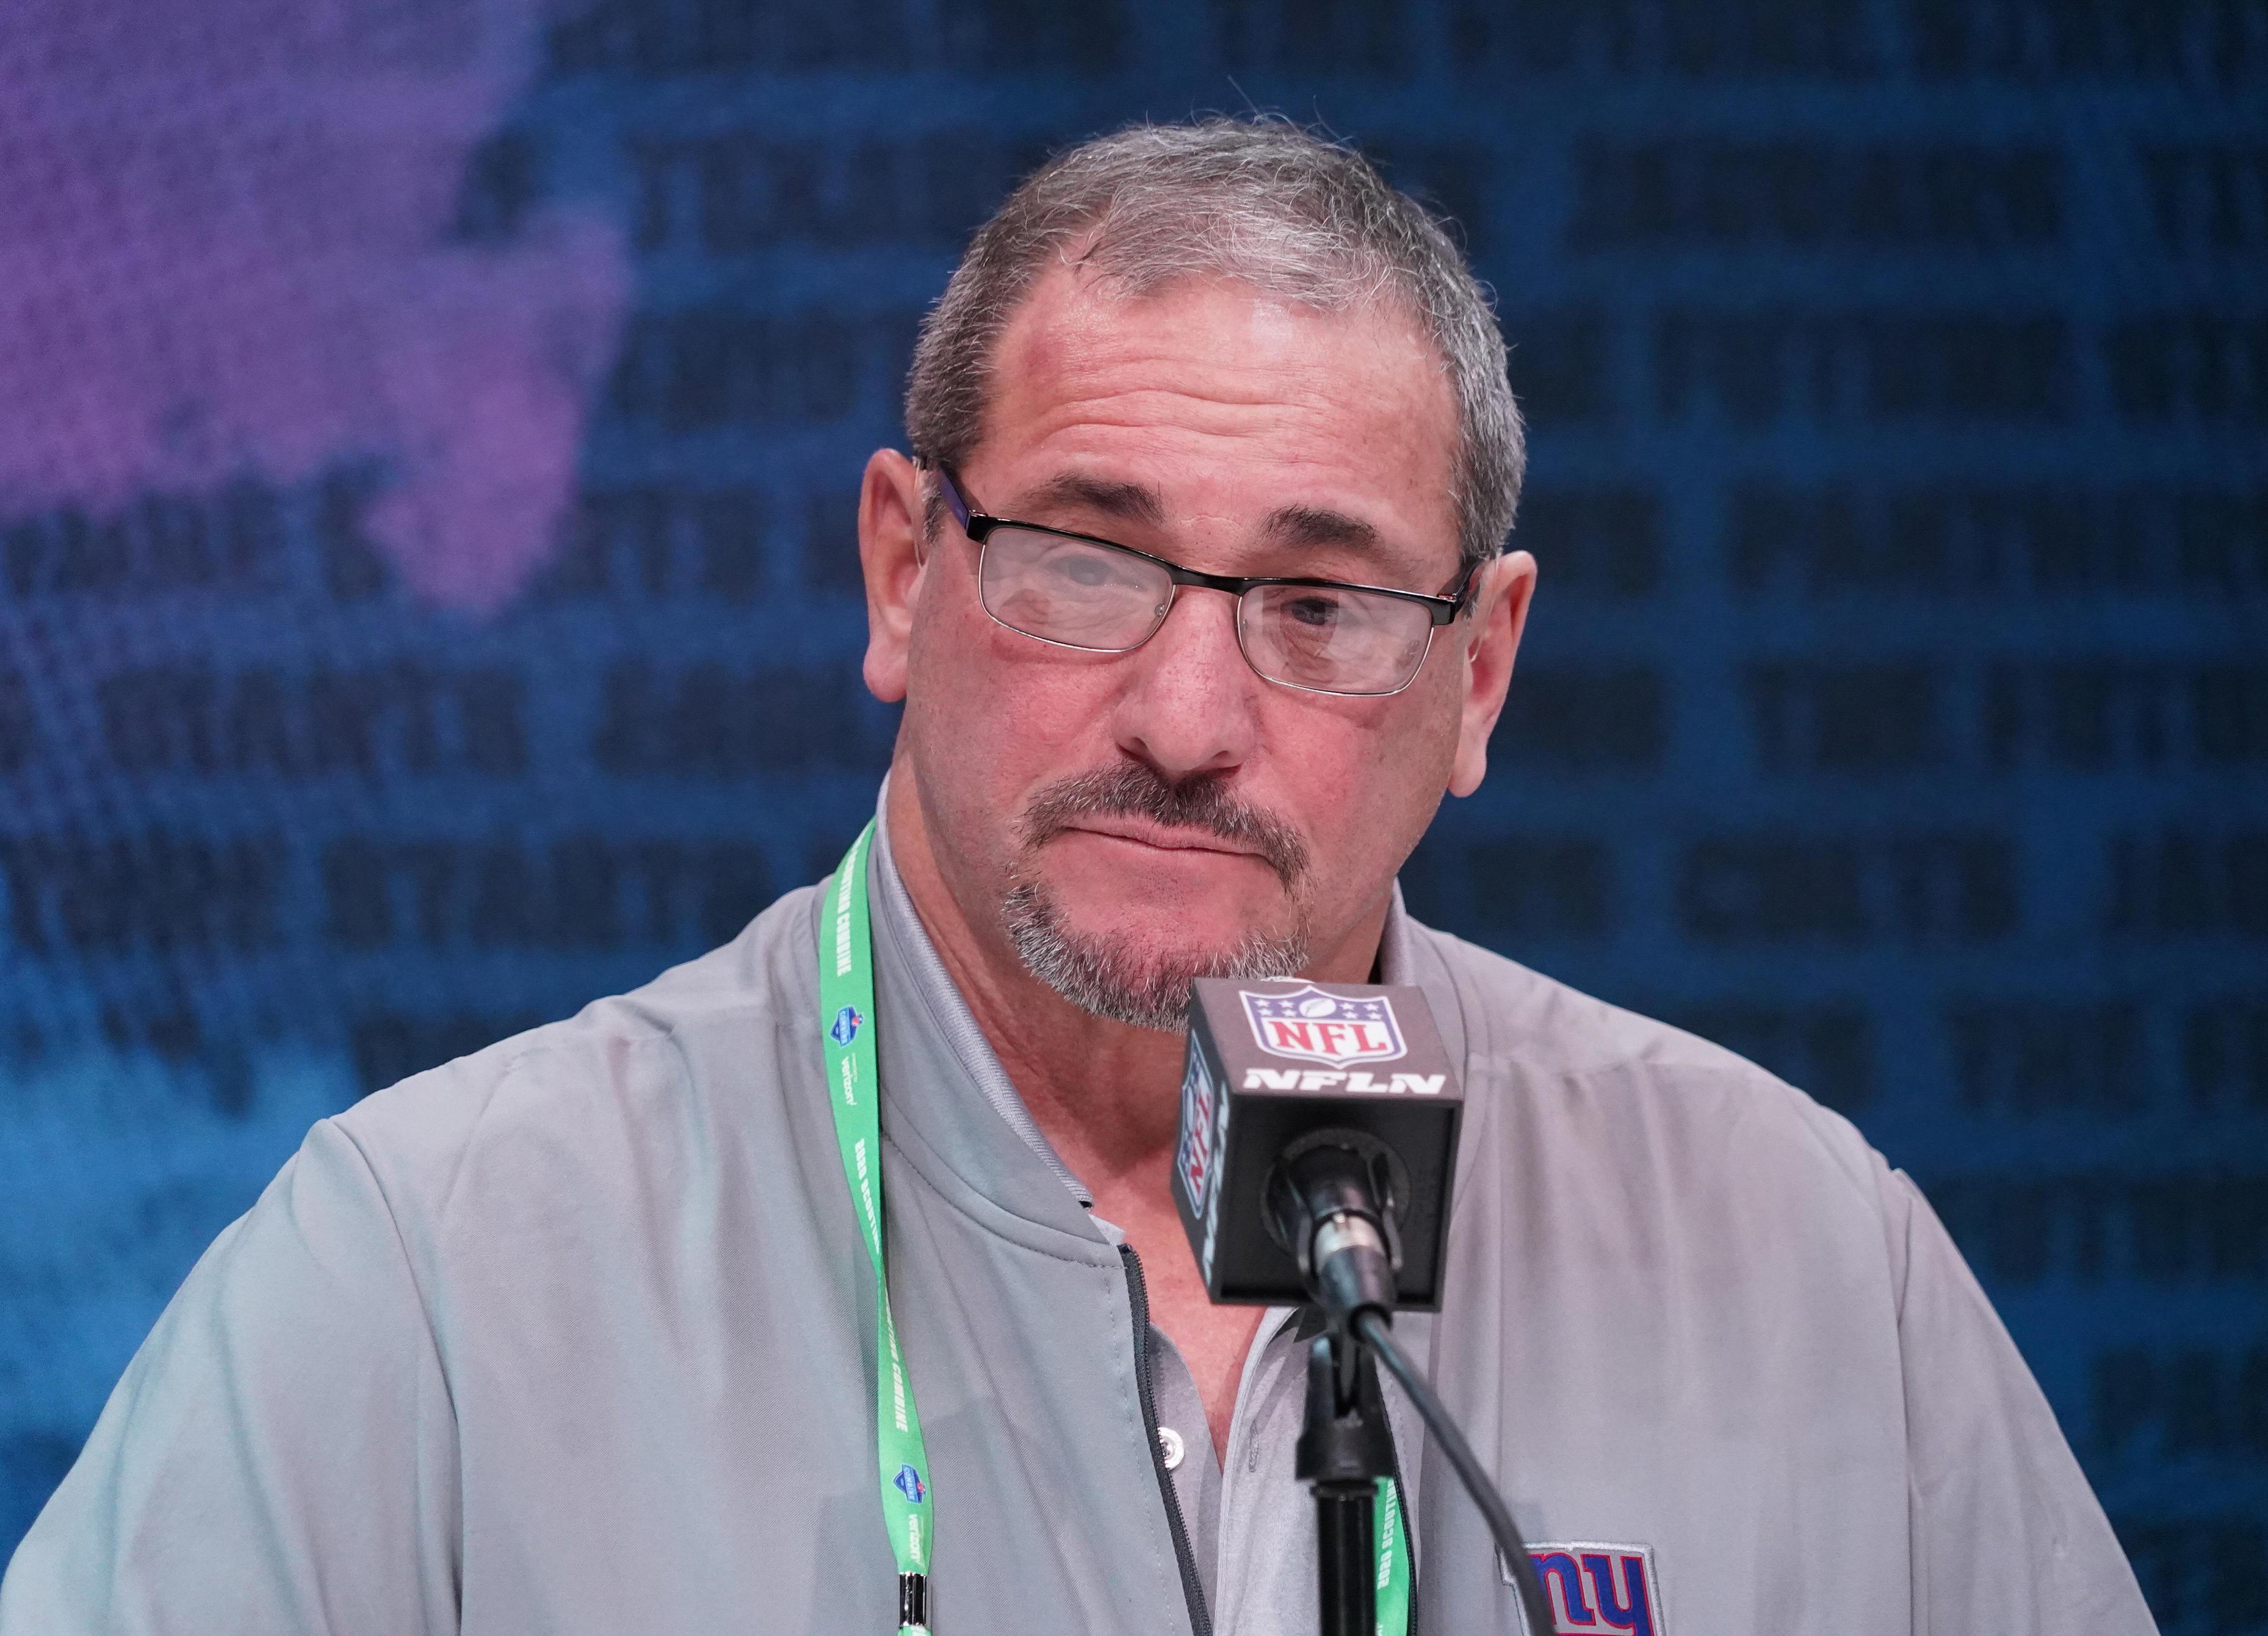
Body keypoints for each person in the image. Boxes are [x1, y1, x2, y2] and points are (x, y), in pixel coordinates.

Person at [0, 117, 2152, 1636]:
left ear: (1479, 675)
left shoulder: (1809, 1277)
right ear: (903, 574)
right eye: (1086, 563)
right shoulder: (431, 1287)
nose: (1187, 715)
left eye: (1317, 606)